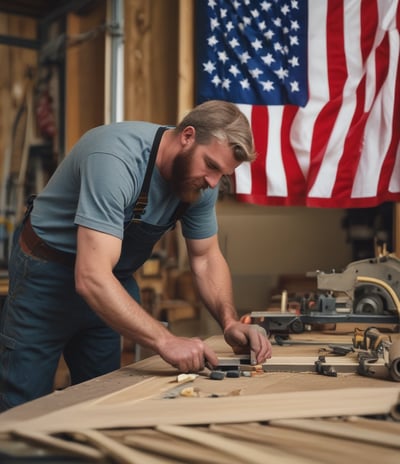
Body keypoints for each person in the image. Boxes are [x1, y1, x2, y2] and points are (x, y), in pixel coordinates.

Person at [0, 100, 272, 411]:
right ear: (187, 136)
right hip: (45, 277)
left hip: (111, 281)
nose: (212, 182)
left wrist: (229, 322)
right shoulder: (116, 158)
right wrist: (165, 340)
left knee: (103, 399)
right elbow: (90, 277)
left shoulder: (200, 186)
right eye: (210, 165)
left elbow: (206, 257)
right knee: (23, 405)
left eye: (221, 174)